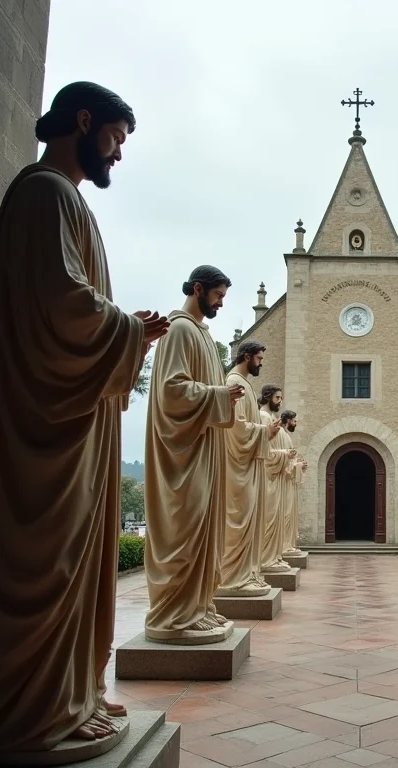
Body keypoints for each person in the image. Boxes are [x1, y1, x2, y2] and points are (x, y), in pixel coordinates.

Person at [0, 81, 169, 750]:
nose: (117, 153)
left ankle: (70, 692)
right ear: (83, 122)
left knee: (73, 558)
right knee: (50, 558)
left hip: (73, 419)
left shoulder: (67, 200)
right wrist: (130, 330)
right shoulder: (45, 193)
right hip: (46, 422)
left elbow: (71, 302)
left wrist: (124, 331)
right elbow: (62, 304)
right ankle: (38, 709)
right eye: (115, 138)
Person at [144, 266, 245, 644]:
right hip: (184, 455)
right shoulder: (179, 330)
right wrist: (220, 395)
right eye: (218, 296)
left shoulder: (202, 334)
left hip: (204, 450)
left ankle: (197, 607)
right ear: (198, 289)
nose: (221, 303)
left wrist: (220, 397)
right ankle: (174, 614)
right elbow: (171, 391)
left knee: (204, 530)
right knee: (185, 529)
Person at [218, 341, 281, 596]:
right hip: (238, 466)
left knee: (249, 520)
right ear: (246, 356)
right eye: (259, 358)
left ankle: (247, 573)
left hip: (249, 465)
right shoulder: (234, 382)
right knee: (239, 520)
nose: (261, 363)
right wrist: (265, 431)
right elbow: (236, 428)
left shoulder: (244, 383)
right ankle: (233, 577)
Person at [258, 385, 294, 573]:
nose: (280, 401)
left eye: (281, 398)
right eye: (277, 398)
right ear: (268, 397)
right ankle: (266, 559)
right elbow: (266, 452)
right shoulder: (264, 418)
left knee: (277, 518)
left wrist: (290, 459)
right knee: (269, 518)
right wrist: (285, 455)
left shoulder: (272, 419)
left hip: (278, 477)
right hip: (269, 477)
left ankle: (273, 556)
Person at [280, 410, 307, 556]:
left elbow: (289, 461)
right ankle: (284, 546)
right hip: (284, 483)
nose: (296, 423)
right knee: (285, 514)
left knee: (289, 515)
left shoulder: (286, 436)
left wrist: (299, 466)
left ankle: (288, 544)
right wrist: (297, 466)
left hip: (288, 483)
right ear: (288, 420)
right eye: (294, 421)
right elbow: (281, 462)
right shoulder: (281, 435)